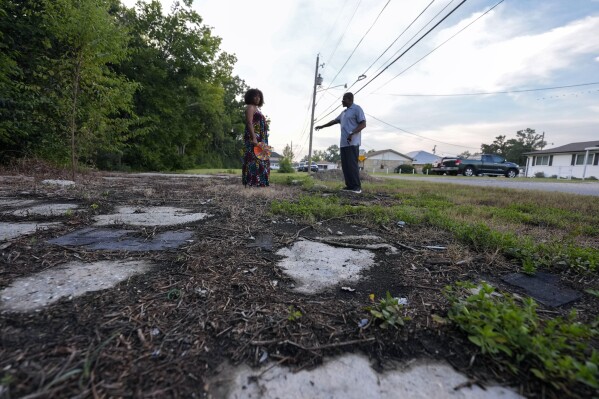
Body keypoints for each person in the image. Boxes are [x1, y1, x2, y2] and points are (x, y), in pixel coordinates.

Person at [315, 92, 366, 193]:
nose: (342, 101)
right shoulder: (344, 112)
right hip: (343, 144)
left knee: (352, 165)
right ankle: (349, 186)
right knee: (346, 166)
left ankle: (356, 187)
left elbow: (363, 124)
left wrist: (352, 133)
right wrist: (322, 126)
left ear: (349, 99)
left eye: (344, 99)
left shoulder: (357, 109)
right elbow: (334, 121)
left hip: (352, 143)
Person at [242, 88, 270, 187]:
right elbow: (249, 123)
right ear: (250, 97)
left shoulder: (257, 109)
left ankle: (260, 182)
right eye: (255, 96)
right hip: (254, 137)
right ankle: (252, 182)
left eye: (259, 96)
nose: (258, 98)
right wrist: (254, 138)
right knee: (254, 159)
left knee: (262, 159)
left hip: (261, 137)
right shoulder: (250, 107)